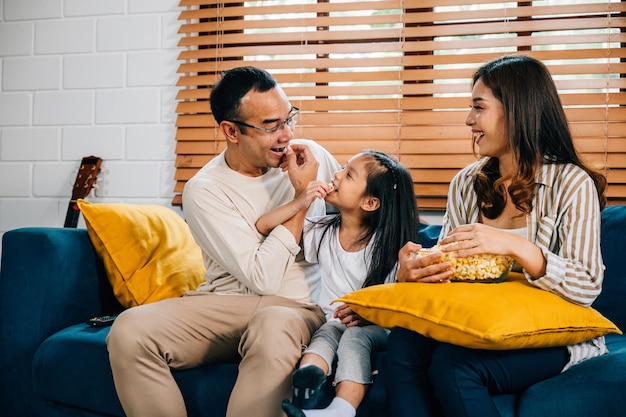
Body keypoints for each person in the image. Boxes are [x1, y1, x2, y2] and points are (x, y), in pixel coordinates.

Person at [106, 66, 341, 417]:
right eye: (271, 126)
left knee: (272, 323)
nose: (287, 135)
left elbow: (357, 222)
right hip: (224, 307)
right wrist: (300, 199)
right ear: (231, 131)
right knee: (128, 330)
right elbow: (261, 276)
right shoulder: (205, 190)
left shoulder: (313, 157)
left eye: (289, 118)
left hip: (296, 307)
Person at [386, 54, 608, 417]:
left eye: (478, 107)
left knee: (454, 366)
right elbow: (452, 272)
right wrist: (417, 272)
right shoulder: (465, 184)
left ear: (518, 111)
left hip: (549, 332)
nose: (468, 120)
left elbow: (586, 285)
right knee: (404, 344)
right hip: (479, 323)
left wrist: (513, 245)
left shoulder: (571, 184)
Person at [255, 149, 420, 417]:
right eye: (343, 167)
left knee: (354, 338)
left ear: (370, 203)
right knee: (323, 337)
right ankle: (305, 389)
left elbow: (399, 298)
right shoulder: (323, 231)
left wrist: (368, 313)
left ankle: (342, 409)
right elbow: (263, 225)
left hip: (376, 326)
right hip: (333, 320)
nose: (337, 174)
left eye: (349, 174)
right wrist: (300, 201)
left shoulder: (390, 245)